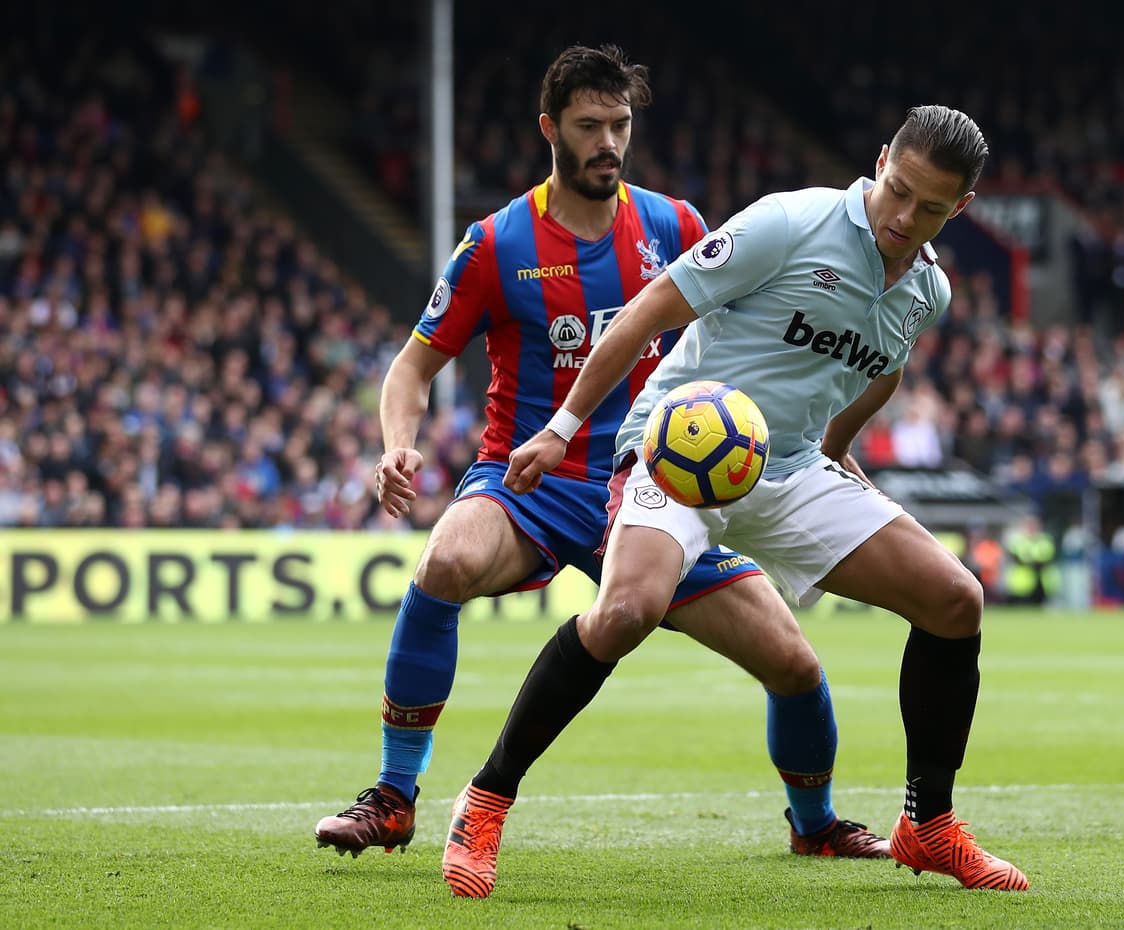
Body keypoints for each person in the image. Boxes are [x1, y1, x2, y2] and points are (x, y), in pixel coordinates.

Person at [313, 44, 887, 882]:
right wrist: (398, 443)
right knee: (446, 559)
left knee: (795, 664)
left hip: (659, 486)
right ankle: (394, 797)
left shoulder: (677, 227)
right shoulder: (494, 243)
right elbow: (411, 368)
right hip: (530, 480)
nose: (608, 141)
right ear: (551, 129)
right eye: (589, 126)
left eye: (619, 124)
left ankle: (815, 823)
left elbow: (762, 331)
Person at [446, 104, 1029, 894]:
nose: (904, 216)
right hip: (678, 451)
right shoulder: (790, 222)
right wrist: (564, 426)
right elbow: (652, 308)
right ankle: (485, 801)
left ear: (959, 209)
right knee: (624, 613)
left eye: (930, 208)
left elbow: (885, 364)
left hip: (786, 467)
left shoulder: (929, 289)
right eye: (898, 190)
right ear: (882, 157)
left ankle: (929, 824)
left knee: (956, 599)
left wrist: (840, 448)